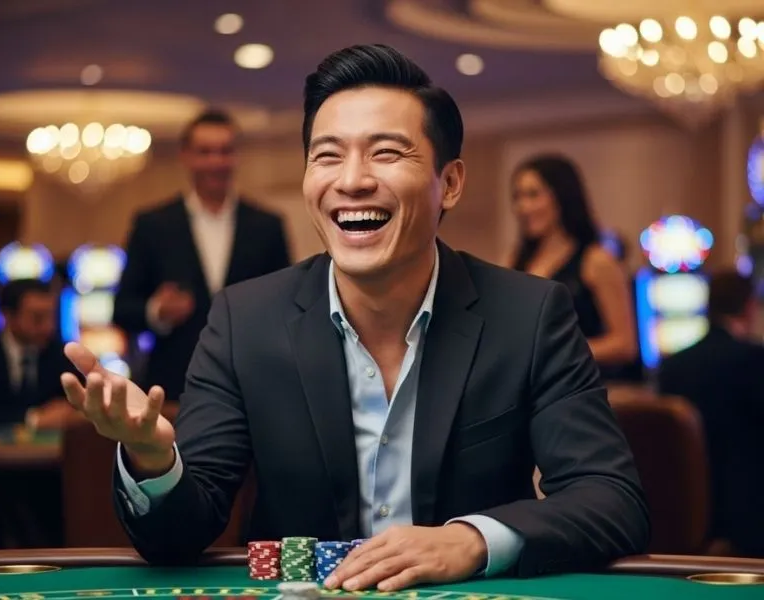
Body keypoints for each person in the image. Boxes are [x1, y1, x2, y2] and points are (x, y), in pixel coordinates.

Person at [61, 45, 649, 589]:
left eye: (387, 152)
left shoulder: (529, 314)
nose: (352, 180)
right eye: (328, 156)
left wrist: (471, 540)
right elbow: (179, 535)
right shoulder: (245, 320)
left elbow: (610, 498)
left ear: (450, 183)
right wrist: (152, 459)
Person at [112, 109, 291, 400]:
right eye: (205, 152)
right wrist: (156, 311)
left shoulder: (267, 226)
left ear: (236, 156)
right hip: (173, 387)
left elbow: (288, 308)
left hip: (250, 385)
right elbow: (121, 309)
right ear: (186, 156)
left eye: (225, 151)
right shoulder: (152, 224)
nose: (216, 162)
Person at [658, 270, 764, 557]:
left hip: (682, 511)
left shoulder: (673, 365)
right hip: (749, 516)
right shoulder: (753, 359)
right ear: (750, 306)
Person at [506, 155, 638, 381]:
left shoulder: (596, 260)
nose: (523, 207)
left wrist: (557, 352)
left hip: (578, 388)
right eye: (518, 197)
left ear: (562, 197)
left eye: (533, 195)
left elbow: (625, 344)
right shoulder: (514, 261)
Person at [0, 278, 75, 430]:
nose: (48, 327)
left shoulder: (62, 354)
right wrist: (32, 419)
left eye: (51, 317)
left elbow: (72, 408)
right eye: (38, 318)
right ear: (8, 316)